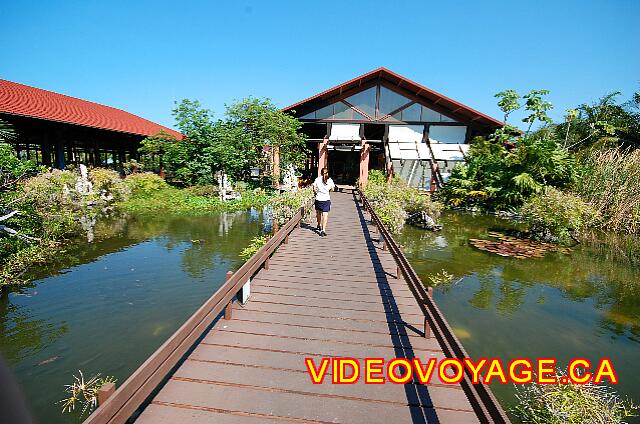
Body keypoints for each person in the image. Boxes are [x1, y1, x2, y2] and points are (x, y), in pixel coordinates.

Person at [313, 168, 335, 237]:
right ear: (327, 173)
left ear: (321, 173)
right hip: (326, 199)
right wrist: (328, 190)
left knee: (318, 213)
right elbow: (333, 189)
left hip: (318, 199)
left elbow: (314, 187)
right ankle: (323, 230)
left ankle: (318, 225)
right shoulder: (330, 180)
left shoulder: (317, 179)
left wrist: (316, 193)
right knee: (325, 215)